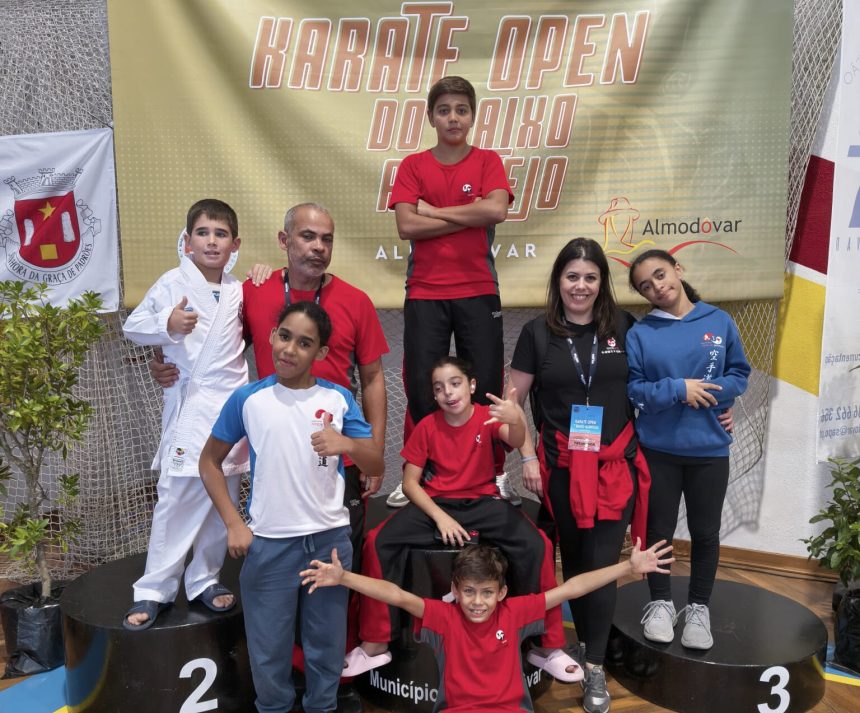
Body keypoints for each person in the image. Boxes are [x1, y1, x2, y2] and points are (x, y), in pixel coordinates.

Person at [346, 356, 582, 684]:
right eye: (439, 388)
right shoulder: (427, 426)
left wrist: (516, 419)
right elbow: (411, 484)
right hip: (437, 503)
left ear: (471, 386)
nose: (448, 392)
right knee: (377, 542)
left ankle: (547, 646)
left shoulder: (488, 418)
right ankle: (375, 643)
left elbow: (515, 439)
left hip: (484, 502)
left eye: (455, 383)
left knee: (538, 544)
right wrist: (440, 518)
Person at [198, 301, 385, 713]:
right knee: (268, 652)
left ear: (321, 352)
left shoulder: (338, 399)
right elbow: (208, 462)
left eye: (304, 343)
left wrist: (348, 444)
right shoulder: (248, 399)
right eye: (284, 336)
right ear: (271, 336)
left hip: (328, 544)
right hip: (270, 544)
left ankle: (323, 708)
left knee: (326, 649)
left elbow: (376, 464)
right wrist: (233, 523)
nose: (289, 349)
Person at [509, 237, 650, 713]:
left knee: (604, 564)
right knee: (574, 563)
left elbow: (657, 378)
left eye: (590, 277)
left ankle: (594, 665)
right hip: (561, 468)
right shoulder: (536, 333)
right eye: (572, 276)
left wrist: (714, 404)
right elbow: (511, 404)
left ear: (602, 283)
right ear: (558, 280)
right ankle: (586, 641)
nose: (581, 286)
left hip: (614, 468)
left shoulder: (624, 327)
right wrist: (526, 456)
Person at [301, 540, 674, 713]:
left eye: (486, 593)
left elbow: (572, 587)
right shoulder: (443, 617)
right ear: (454, 591)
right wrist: (344, 577)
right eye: (468, 591)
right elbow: (396, 595)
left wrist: (627, 567)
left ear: (502, 593)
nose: (477, 601)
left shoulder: (514, 613)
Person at [387, 75, 516, 508]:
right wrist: (468, 213)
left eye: (461, 110)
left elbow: (496, 210)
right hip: (425, 292)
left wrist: (435, 211)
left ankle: (493, 473)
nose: (453, 118)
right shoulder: (413, 166)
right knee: (423, 387)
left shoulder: (487, 161)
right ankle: (418, 477)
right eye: (444, 110)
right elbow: (407, 225)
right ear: (431, 117)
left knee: (486, 384)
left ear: (472, 116)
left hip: (478, 289)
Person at [121, 198, 248, 630]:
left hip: (230, 409)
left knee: (223, 497)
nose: (212, 241)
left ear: (234, 244)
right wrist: (167, 325)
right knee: (176, 498)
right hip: (191, 406)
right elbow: (133, 327)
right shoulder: (173, 282)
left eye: (221, 234)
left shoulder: (239, 290)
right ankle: (153, 588)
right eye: (203, 233)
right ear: (188, 241)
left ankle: (205, 578)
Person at [626, 249, 750, 651]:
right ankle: (661, 603)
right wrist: (679, 389)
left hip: (709, 450)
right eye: (646, 285)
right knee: (657, 531)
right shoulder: (640, 333)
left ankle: (698, 608)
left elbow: (739, 374)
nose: (657, 287)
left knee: (705, 532)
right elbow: (635, 390)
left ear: (678, 270)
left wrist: (714, 394)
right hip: (657, 450)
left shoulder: (719, 321)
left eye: (661, 275)